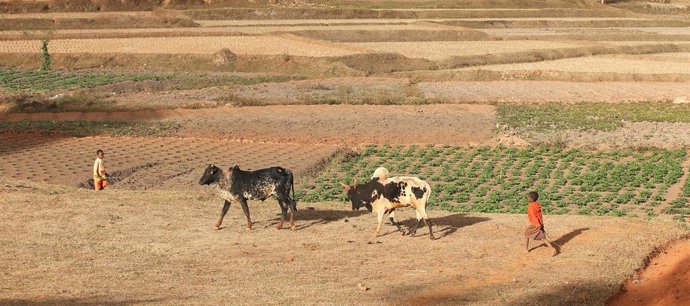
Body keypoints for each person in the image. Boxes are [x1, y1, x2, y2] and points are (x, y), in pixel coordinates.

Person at [524, 191, 558, 256]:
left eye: (528, 197)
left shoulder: (531, 206)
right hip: (540, 223)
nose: (527, 198)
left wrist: (537, 224)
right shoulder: (537, 204)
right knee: (542, 238)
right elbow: (539, 215)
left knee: (526, 234)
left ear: (531, 199)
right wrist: (541, 224)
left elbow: (533, 216)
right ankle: (552, 249)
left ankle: (526, 249)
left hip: (535, 224)